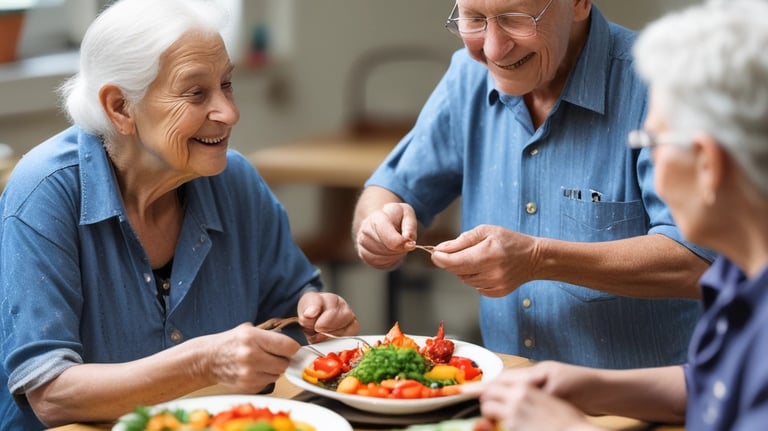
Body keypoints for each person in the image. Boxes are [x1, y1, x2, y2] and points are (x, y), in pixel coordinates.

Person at [0, 0, 359, 428]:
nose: (230, 113)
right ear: (120, 108)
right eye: (196, 93)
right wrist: (201, 363)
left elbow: (295, 316)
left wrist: (318, 318)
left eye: (227, 85)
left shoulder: (237, 181)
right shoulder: (45, 193)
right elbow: (51, 395)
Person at [352, 0, 716, 368]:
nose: (493, 50)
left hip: (648, 415)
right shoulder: (467, 76)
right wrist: (377, 224)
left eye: (516, 20)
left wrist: (539, 259)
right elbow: (387, 189)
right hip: (511, 403)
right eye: (474, 19)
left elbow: (700, 262)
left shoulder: (663, 85)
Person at [465, 0, 768, 429]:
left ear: (708, 164)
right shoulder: (739, 278)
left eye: (653, 140)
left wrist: (569, 427)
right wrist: (592, 387)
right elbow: (711, 385)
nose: (648, 169)